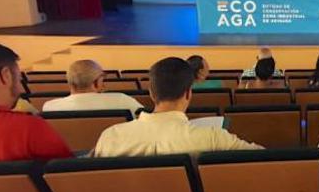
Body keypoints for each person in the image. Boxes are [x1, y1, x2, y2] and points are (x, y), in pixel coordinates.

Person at [93, 57, 261, 157]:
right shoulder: (213, 138)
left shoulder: (110, 137)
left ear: (152, 93)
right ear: (188, 94)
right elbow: (263, 157)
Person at [42, 60, 143, 115]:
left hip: (69, 153)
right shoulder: (122, 100)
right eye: (102, 79)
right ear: (95, 83)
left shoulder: (49, 107)